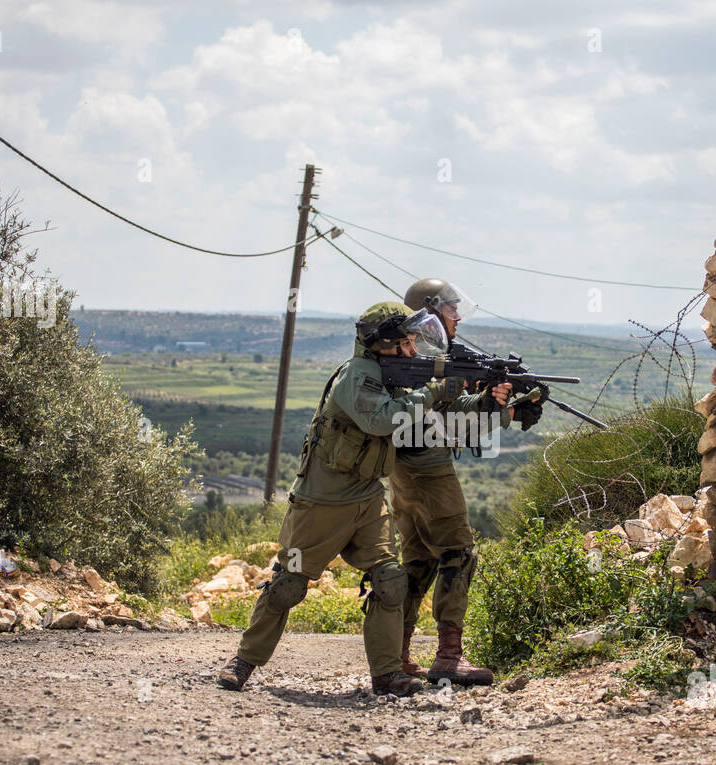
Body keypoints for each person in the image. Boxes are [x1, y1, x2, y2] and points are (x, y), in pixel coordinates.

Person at [216, 302, 466, 697]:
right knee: (288, 584)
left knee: (390, 580)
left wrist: (494, 400)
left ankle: (386, 674)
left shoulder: (392, 376)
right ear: (383, 344)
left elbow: (439, 408)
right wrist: (433, 393)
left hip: (367, 499)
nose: (414, 349)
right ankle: (243, 661)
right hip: (321, 504)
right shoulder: (357, 376)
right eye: (406, 341)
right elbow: (381, 420)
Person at [392, 278, 544, 686]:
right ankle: (448, 656)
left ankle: (399, 653)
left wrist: (498, 406)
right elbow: (443, 422)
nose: (458, 317)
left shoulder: (411, 355)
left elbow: (453, 414)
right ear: (430, 313)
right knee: (458, 551)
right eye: (451, 309)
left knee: (419, 560)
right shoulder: (422, 359)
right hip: (427, 468)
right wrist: (499, 410)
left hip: (407, 470)